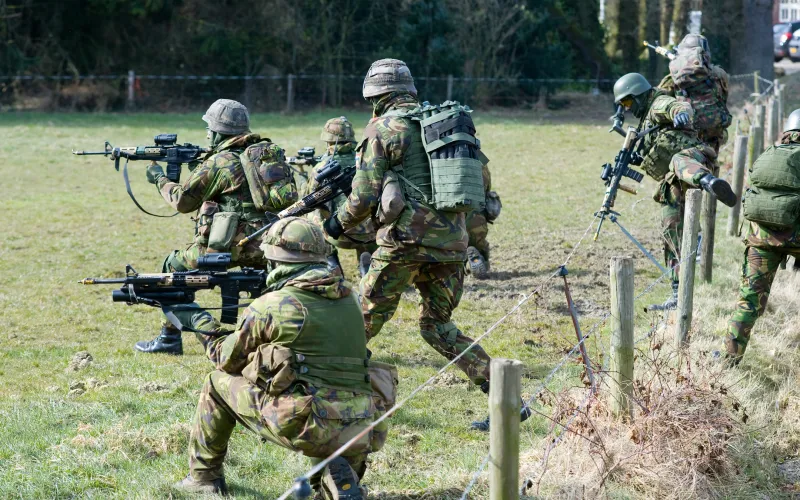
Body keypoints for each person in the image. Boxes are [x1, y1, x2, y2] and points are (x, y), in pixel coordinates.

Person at [322, 58, 529, 429]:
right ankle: (510, 399)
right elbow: (481, 180)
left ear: (376, 96)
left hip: (404, 244)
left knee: (357, 325)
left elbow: (365, 192)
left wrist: (336, 225)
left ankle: (330, 404)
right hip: (452, 244)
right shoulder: (445, 125)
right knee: (437, 327)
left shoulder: (384, 129)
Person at [173, 217, 395, 499]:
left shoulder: (274, 305)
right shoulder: (352, 299)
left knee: (216, 384)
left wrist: (197, 320)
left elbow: (225, 359)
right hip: (364, 425)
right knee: (325, 390)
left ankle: (203, 479)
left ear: (277, 260)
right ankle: (336, 477)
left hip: (307, 425)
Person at [135, 98, 297, 355]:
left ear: (218, 132)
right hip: (272, 245)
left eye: (209, 129)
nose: (206, 134)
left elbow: (182, 201)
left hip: (232, 245)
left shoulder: (219, 162)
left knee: (171, 270)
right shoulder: (264, 154)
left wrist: (159, 178)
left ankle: (171, 337)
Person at [613, 73, 737, 308]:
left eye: (629, 102)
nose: (629, 109)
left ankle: (709, 183)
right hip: (673, 183)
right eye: (624, 106)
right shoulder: (646, 123)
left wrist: (680, 114)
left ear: (638, 94)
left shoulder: (658, 103)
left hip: (694, 159)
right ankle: (677, 293)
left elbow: (676, 106)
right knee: (670, 230)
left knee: (678, 160)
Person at [724, 110, 800, 365]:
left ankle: (730, 359)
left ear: (787, 132)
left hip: (762, 237)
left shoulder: (769, 154)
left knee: (749, 299)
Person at [303, 116, 377, 277]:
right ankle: (369, 263)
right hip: (370, 234)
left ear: (327, 141)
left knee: (311, 213)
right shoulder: (368, 161)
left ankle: (331, 262)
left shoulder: (322, 168)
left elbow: (307, 199)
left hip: (337, 235)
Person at [657, 34, 731, 155]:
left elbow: (659, 102)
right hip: (713, 138)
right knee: (709, 170)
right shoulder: (720, 75)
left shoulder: (672, 79)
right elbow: (723, 99)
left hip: (685, 142)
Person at [465, 163, 501, 279]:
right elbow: (487, 187)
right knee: (479, 249)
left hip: (446, 225)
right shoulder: (479, 160)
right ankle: (477, 260)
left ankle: (463, 263)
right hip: (477, 222)